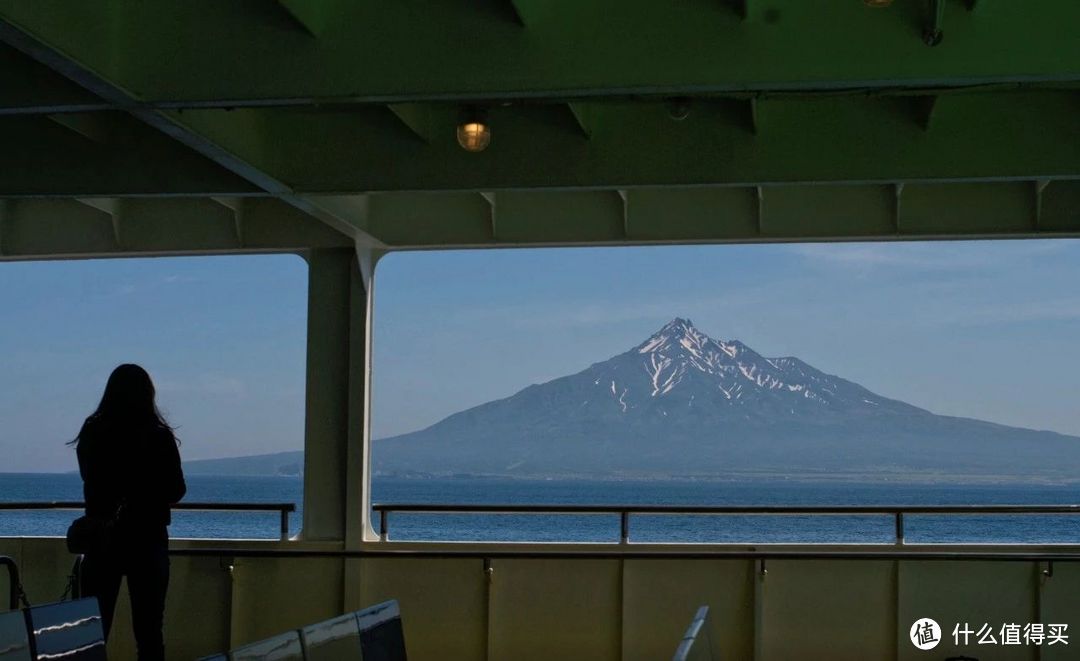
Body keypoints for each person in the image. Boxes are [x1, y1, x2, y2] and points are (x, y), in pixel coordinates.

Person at [70, 364, 186, 661]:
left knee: (92, 632)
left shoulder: (93, 431)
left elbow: (89, 478)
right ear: (148, 394)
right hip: (147, 539)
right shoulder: (158, 436)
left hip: (101, 541)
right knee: (149, 633)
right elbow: (176, 490)